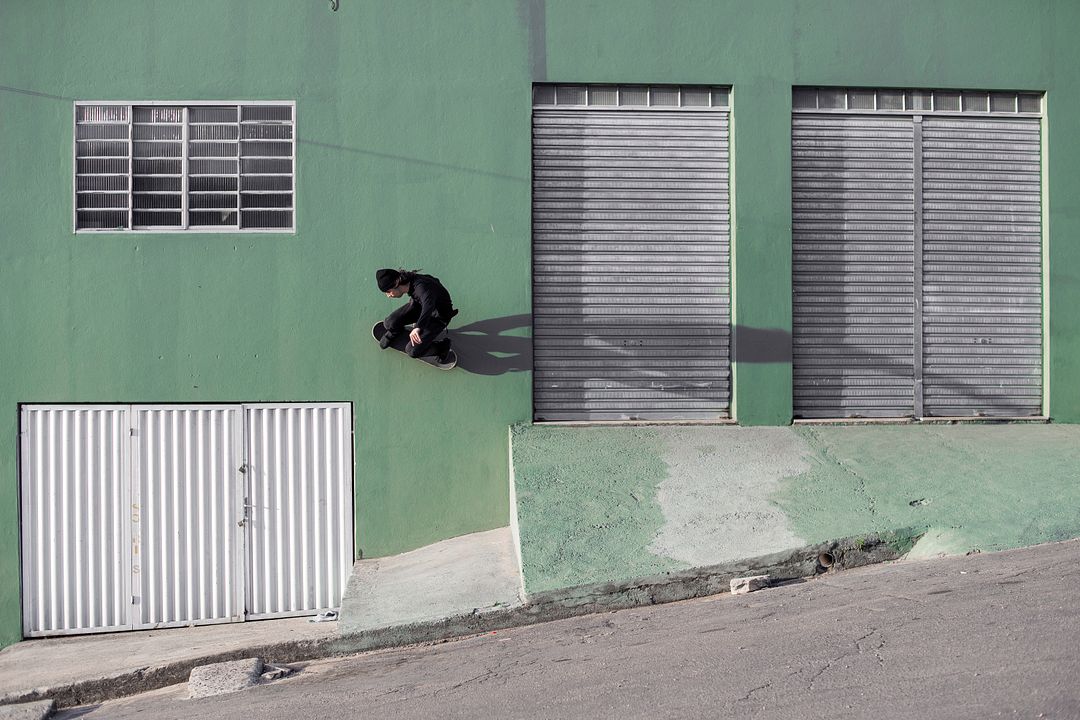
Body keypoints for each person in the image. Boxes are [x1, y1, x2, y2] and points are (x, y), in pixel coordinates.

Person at [376, 268, 457, 363]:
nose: (388, 295)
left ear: (396, 283)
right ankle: (395, 332)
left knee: (412, 351)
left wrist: (418, 327)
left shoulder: (422, 287)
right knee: (389, 323)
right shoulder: (409, 281)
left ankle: (441, 347)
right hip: (419, 306)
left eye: (388, 291)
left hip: (438, 318)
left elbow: (428, 306)